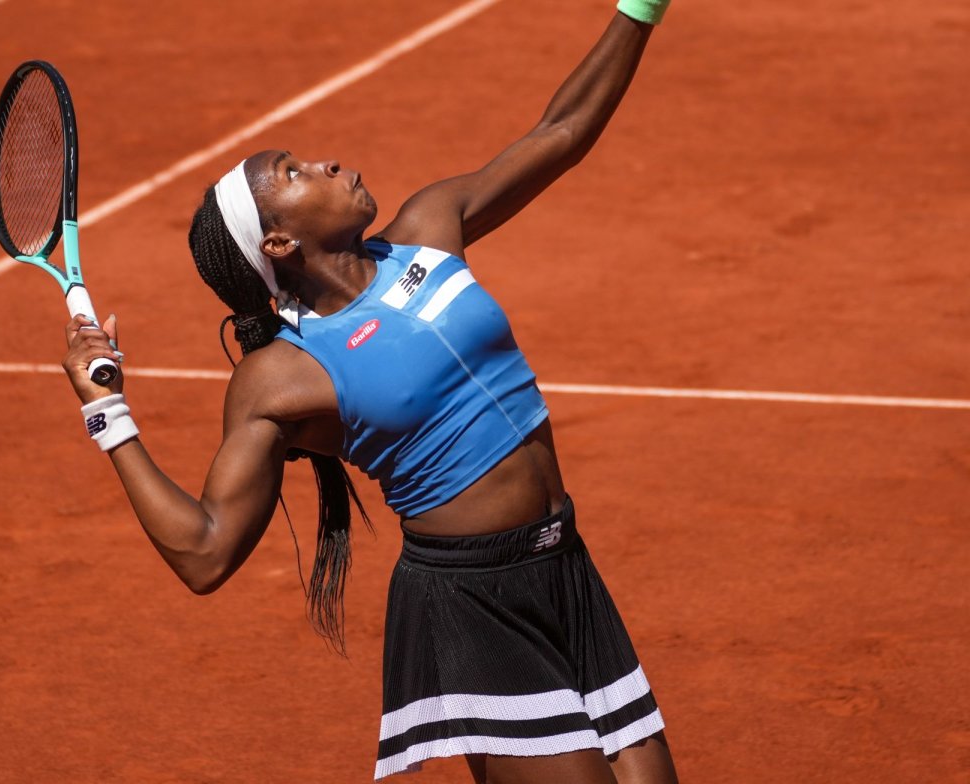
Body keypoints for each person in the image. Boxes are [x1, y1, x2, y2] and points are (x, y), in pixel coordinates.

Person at [62, 1, 677, 781]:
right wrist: (107, 414)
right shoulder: (282, 375)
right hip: (474, 604)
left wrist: (640, 9)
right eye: (293, 172)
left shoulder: (427, 228)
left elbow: (562, 132)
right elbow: (207, 552)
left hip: (565, 567)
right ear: (279, 243)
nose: (325, 163)